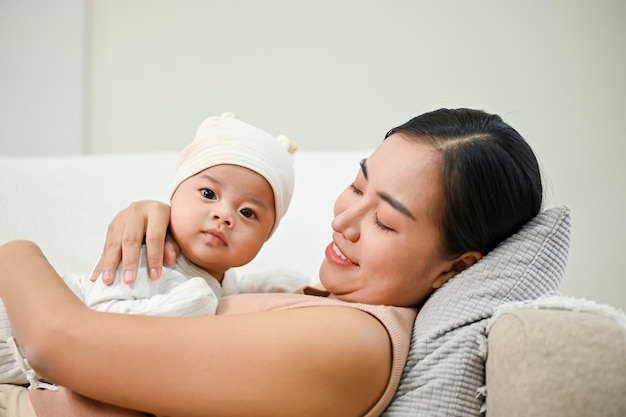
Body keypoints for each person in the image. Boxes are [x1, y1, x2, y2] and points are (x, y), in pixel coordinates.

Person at [0, 108, 543, 417]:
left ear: (455, 269)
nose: (345, 221)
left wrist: (15, 251)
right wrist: (166, 220)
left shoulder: (355, 344)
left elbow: (54, 344)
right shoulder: (314, 300)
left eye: (385, 222)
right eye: (357, 186)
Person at [0, 112, 301, 389]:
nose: (224, 215)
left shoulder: (221, 279)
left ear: (265, 239)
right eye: (209, 194)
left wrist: (275, 284)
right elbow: (97, 318)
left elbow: (230, 292)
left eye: (248, 213)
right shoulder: (151, 254)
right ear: (173, 196)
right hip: (14, 328)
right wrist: (195, 304)